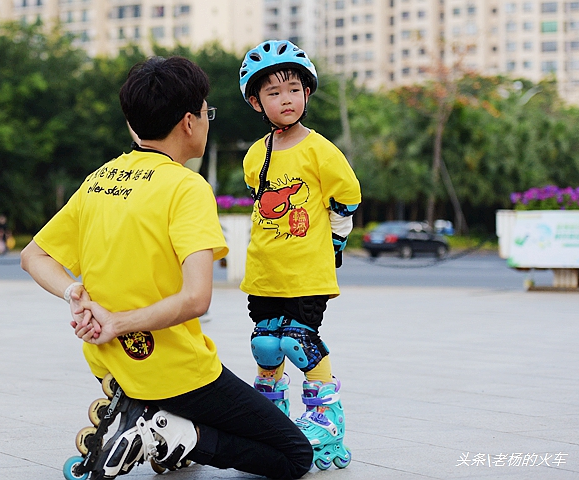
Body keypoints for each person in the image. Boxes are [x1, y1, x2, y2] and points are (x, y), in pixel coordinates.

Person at [20, 56, 312, 480]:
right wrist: (118, 322)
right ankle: (172, 435)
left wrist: (75, 295)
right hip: (174, 369)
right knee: (293, 455)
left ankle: (151, 419)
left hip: (110, 360)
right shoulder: (187, 188)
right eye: (206, 112)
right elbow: (196, 298)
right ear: (189, 122)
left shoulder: (101, 179)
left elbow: (33, 256)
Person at [238, 40, 362, 470]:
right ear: (257, 102)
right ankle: (269, 415)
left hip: (307, 272)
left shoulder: (321, 150)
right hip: (264, 272)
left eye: (293, 88)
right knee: (266, 344)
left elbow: (346, 200)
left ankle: (326, 419)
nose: (285, 99)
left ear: (307, 93)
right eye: (273, 92)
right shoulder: (255, 155)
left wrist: (335, 246)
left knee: (299, 341)